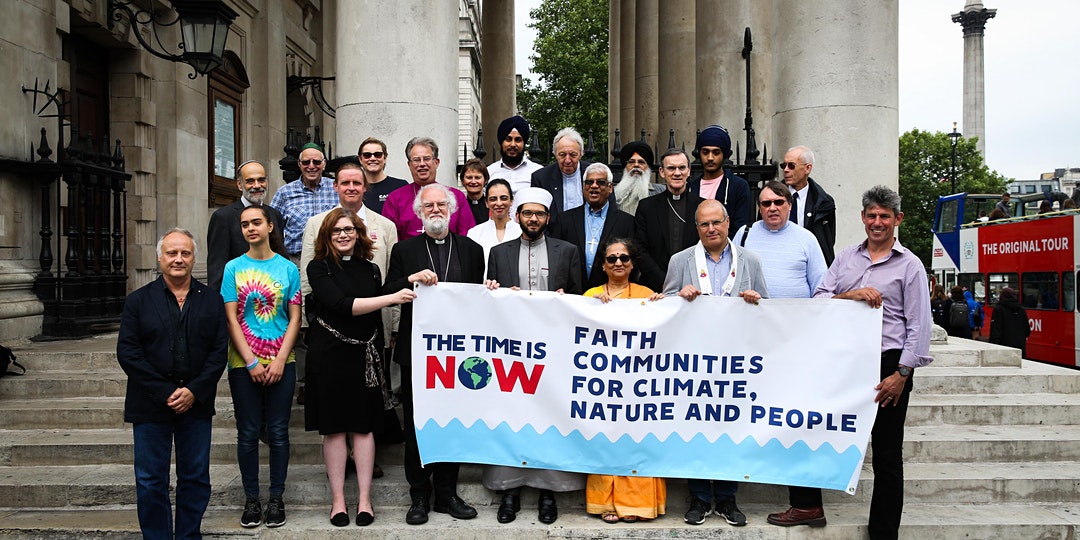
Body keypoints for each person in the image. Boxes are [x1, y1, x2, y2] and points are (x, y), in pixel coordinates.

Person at [778, 185, 932, 539]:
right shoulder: (847, 257)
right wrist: (851, 295)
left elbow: (919, 326)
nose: (877, 223)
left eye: (885, 217)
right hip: (843, 361)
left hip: (887, 365)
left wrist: (902, 374)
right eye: (872, 216)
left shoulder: (910, 266)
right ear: (863, 218)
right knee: (811, 429)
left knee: (887, 455)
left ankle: (883, 532)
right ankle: (807, 504)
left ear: (897, 220)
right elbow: (819, 298)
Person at [305, 208, 417, 527]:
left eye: (349, 229)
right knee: (335, 429)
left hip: (365, 357)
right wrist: (393, 297)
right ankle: (338, 500)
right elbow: (342, 306)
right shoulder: (319, 268)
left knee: (364, 428)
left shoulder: (370, 270)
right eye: (336, 231)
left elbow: (380, 297)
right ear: (327, 236)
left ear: (359, 234)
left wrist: (409, 280)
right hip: (329, 356)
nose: (343, 235)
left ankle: (365, 499)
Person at [383, 184, 486, 525]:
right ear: (419, 212)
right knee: (416, 425)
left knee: (453, 423)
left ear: (452, 209)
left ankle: (446, 493)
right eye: (429, 205)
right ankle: (418, 496)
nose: (436, 209)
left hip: (457, 358)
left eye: (442, 204)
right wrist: (410, 279)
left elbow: (477, 299)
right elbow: (387, 291)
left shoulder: (472, 250)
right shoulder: (404, 250)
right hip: (417, 355)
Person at [117, 228, 229, 540]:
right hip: (150, 405)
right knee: (151, 480)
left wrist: (194, 391)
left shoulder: (212, 300)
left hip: (196, 404)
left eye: (185, 253)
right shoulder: (138, 301)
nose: (178, 259)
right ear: (159, 258)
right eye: (172, 253)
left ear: (195, 258)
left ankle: (189, 536)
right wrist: (165, 391)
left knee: (195, 478)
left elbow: (219, 351)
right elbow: (128, 352)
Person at [481, 187, 584, 523]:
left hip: (555, 352)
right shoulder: (498, 252)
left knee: (550, 418)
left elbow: (580, 300)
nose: (533, 219)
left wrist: (563, 298)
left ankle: (548, 493)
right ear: (517, 216)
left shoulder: (568, 252)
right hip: (511, 353)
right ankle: (508, 491)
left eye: (539, 214)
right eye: (527, 213)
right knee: (512, 418)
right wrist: (494, 294)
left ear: (548, 218)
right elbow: (487, 302)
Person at [663, 199, 767, 528]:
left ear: (727, 224)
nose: (711, 229)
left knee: (730, 427)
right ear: (697, 228)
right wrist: (678, 296)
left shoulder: (749, 260)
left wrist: (754, 300)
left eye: (716, 222)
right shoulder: (681, 261)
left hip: (736, 361)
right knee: (695, 426)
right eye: (704, 224)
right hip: (693, 360)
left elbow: (767, 304)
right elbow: (662, 303)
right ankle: (699, 497)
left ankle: (726, 496)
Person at [731, 182, 829, 529]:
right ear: (758, 207)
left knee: (798, 418)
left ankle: (807, 503)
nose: (772, 208)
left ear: (789, 205)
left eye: (778, 202)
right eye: (765, 203)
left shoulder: (806, 239)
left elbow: (823, 289)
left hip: (794, 342)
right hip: (752, 341)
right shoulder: (742, 235)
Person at [299, 156, 402, 477]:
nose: (352, 187)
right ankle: (340, 456)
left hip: (374, 327)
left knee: (370, 393)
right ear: (336, 187)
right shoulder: (317, 223)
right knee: (335, 397)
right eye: (345, 182)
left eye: (357, 183)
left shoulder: (385, 226)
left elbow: (389, 275)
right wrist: (308, 321)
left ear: (365, 187)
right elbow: (306, 277)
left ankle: (367, 457)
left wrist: (394, 322)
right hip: (330, 330)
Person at [221, 205, 302, 529]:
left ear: (270, 226)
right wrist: (252, 361)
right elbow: (230, 317)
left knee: (279, 433)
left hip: (283, 359)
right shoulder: (233, 268)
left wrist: (280, 358)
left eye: (256, 222)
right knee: (248, 433)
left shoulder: (288, 269)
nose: (250, 228)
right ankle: (252, 500)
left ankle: (276, 499)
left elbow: (295, 317)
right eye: (244, 224)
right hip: (243, 363)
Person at [582, 238, 666, 524]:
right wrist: (590, 308)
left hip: (637, 386)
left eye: (624, 258)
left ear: (632, 264)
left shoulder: (646, 295)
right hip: (602, 386)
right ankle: (605, 501)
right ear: (603, 265)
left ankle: (637, 504)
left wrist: (659, 307)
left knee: (636, 441)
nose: (618, 262)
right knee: (605, 440)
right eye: (612, 258)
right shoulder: (590, 295)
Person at [550, 163, 635, 290]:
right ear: (583, 187)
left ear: (610, 187)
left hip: (611, 296)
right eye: (589, 182)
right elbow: (556, 259)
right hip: (571, 294)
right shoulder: (564, 220)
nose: (594, 186)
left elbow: (632, 261)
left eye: (600, 182)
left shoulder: (626, 221)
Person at [206, 160, 286, 292]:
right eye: (250, 181)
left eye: (261, 180)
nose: (257, 186)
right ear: (239, 184)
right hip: (237, 298)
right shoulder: (223, 217)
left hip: (272, 296)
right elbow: (217, 268)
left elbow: (280, 256)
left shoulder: (274, 214)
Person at [634, 148, 704, 291]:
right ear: (662, 172)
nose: (677, 173)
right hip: (654, 287)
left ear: (689, 171)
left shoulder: (702, 206)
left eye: (682, 168)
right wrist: (664, 282)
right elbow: (639, 249)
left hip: (695, 287)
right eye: (671, 168)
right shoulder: (647, 207)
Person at [382, 137, 476, 240]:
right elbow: (390, 238)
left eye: (427, 159)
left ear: (436, 162)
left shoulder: (457, 197)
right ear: (409, 165)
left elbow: (467, 236)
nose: (422, 164)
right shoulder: (395, 199)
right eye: (417, 160)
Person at [269, 142, 339, 262]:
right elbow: (271, 227)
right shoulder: (285, 193)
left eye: (316, 162)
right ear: (299, 164)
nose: (311, 166)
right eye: (306, 162)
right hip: (296, 261)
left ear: (324, 164)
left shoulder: (336, 188)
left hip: (331, 258)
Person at [687, 125, 751, 239]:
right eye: (705, 152)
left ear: (724, 154)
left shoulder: (738, 186)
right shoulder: (690, 187)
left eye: (716, 152)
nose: (710, 158)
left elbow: (740, 227)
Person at [781, 145, 837, 265]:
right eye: (783, 165)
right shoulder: (772, 197)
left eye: (791, 165)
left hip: (810, 262)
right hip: (780, 259)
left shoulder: (824, 203)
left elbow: (827, 240)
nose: (786, 170)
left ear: (807, 168)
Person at [531, 127, 594, 220]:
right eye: (562, 155)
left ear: (581, 154)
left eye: (573, 155)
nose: (567, 160)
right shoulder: (541, 178)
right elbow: (537, 214)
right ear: (555, 154)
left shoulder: (594, 173)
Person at [467, 179, 521, 274]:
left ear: (511, 201)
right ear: (486, 203)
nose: (499, 203)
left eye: (503, 198)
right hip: (484, 287)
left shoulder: (521, 232)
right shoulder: (474, 233)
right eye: (493, 199)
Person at [487, 115, 543, 194]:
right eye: (508, 139)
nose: (513, 144)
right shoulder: (489, 172)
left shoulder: (538, 172)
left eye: (518, 140)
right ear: (501, 142)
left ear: (524, 143)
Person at [358, 137, 408, 214]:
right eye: (367, 155)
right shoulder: (355, 188)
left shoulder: (400, 186)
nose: (372, 158)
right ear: (360, 159)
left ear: (385, 158)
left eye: (378, 155)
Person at [613, 140, 663, 216]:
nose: (636, 165)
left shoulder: (661, 192)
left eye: (641, 162)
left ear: (648, 166)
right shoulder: (613, 194)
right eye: (631, 162)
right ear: (625, 166)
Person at [989, 287, 1030, 357]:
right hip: (1020, 348)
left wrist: (993, 347)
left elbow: (995, 331)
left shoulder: (999, 309)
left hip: (1004, 349)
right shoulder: (1021, 309)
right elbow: (1027, 330)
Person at [460, 158, 491, 225]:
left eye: (477, 178)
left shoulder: (491, 206)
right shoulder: (460, 207)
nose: (473, 182)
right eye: (469, 178)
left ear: (485, 180)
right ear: (462, 181)